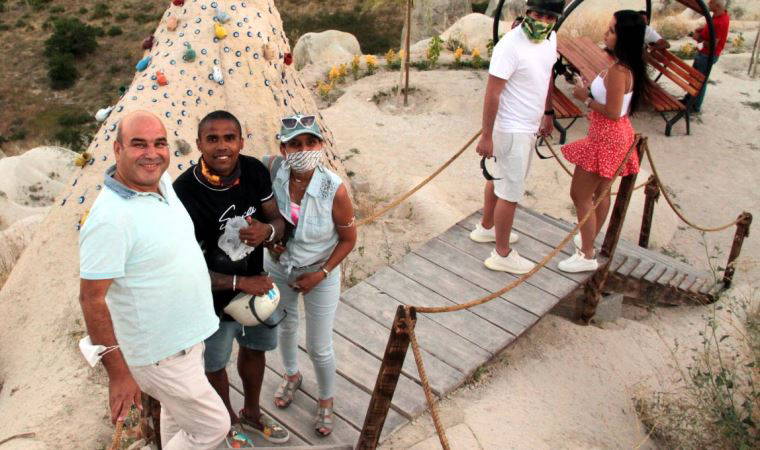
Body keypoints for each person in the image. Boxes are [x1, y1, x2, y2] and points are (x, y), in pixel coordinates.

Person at [78, 111, 230, 449]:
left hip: (187, 340)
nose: (152, 153)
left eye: (159, 143)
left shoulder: (162, 183)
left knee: (178, 417)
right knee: (213, 426)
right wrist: (119, 374)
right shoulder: (109, 219)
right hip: (161, 353)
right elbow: (91, 299)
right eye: (139, 144)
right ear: (118, 149)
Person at [173, 110, 290, 446]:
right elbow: (184, 267)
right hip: (210, 300)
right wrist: (240, 284)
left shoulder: (254, 171)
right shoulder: (184, 192)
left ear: (241, 141)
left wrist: (267, 232)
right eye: (212, 139)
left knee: (255, 350)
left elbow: (278, 221)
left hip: (256, 291)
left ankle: (252, 414)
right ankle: (227, 422)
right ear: (199, 144)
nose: (221, 146)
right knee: (214, 364)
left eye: (229, 138)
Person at [262, 114, 356, 437]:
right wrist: (270, 240)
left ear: (321, 145)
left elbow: (349, 239)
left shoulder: (334, 189)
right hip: (280, 267)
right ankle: (291, 375)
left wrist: (322, 274)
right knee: (285, 327)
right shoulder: (273, 172)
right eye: (295, 144)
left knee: (319, 345)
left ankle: (326, 399)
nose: (304, 150)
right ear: (283, 149)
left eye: (310, 142)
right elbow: (258, 207)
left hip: (321, 272)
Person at [471, 0, 564, 275]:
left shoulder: (550, 39)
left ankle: (487, 227)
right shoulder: (510, 45)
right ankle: (502, 254)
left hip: (528, 124)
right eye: (538, 14)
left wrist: (547, 112)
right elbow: (493, 92)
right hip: (512, 128)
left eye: (550, 17)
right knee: (510, 193)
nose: (543, 21)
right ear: (528, 12)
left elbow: (547, 75)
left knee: (499, 179)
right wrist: (486, 136)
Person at [559, 10, 646, 273]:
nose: (606, 34)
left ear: (624, 37)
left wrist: (584, 98)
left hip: (606, 137)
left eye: (611, 30)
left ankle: (586, 254)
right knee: (601, 193)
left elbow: (613, 111)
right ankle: (589, 238)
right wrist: (591, 89)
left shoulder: (619, 71)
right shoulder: (628, 66)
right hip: (614, 136)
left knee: (580, 194)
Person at [685, 0, 730, 112]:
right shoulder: (717, 15)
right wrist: (701, 30)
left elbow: (713, 44)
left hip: (707, 56)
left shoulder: (721, 21)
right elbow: (711, 28)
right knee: (694, 77)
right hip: (703, 53)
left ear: (717, 5)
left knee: (700, 81)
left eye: (711, 2)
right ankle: (688, 100)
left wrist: (699, 38)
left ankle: (694, 106)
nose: (708, 3)